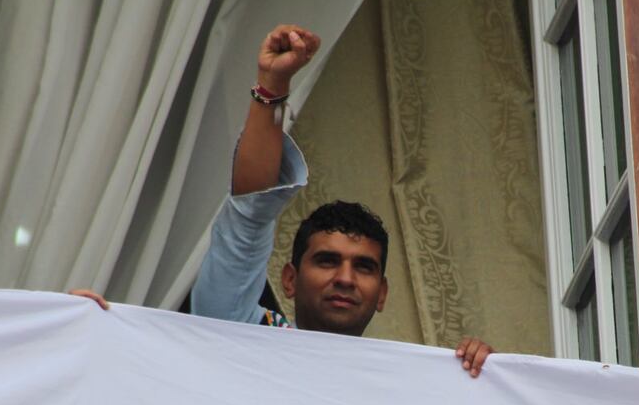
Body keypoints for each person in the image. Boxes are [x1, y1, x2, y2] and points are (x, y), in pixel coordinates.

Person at [75, 24, 493, 376]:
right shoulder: (238, 334)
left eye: (363, 267)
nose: (345, 278)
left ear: (382, 294)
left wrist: (486, 379)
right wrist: (271, 89)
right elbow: (249, 217)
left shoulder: (406, 380)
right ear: (290, 280)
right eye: (327, 260)